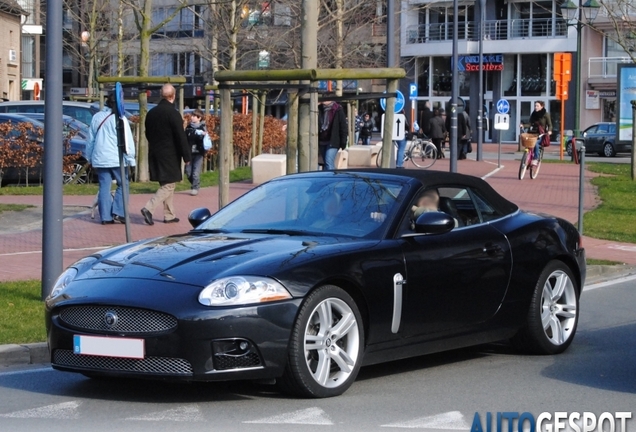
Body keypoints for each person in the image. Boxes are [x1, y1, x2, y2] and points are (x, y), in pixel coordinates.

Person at [141, 83, 191, 225]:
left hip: (155, 152)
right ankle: (148, 208)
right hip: (170, 154)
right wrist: (187, 156)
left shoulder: (151, 113)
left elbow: (147, 133)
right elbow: (180, 136)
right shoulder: (173, 114)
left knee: (167, 183)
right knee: (169, 185)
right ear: (173, 96)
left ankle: (169, 215)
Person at [86, 92, 136, 225]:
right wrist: (131, 159)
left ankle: (105, 217)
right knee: (123, 184)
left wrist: (89, 157)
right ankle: (119, 212)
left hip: (100, 158)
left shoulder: (97, 117)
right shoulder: (121, 118)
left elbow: (91, 139)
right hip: (116, 158)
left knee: (104, 186)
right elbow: (127, 141)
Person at [318, 99, 347, 170]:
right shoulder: (319, 109)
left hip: (333, 141)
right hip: (322, 140)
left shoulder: (338, 109)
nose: (324, 100)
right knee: (326, 163)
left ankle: (331, 179)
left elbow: (343, 127)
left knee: (328, 162)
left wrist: (343, 142)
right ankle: (328, 178)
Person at [184, 109, 207, 196]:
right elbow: (185, 139)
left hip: (199, 153)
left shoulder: (203, 128)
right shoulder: (188, 127)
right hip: (189, 153)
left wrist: (202, 135)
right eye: (192, 116)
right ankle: (195, 184)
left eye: (194, 116)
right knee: (188, 171)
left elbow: (204, 140)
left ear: (199, 118)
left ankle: (195, 188)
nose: (192, 117)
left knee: (195, 173)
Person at [524, 101, 552, 166]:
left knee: (536, 143)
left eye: (537, 106)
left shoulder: (545, 114)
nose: (535, 107)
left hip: (541, 134)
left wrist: (549, 131)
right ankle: (527, 156)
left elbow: (550, 125)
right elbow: (530, 124)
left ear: (542, 106)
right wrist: (523, 125)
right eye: (535, 106)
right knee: (527, 141)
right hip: (533, 132)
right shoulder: (533, 114)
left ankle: (535, 159)